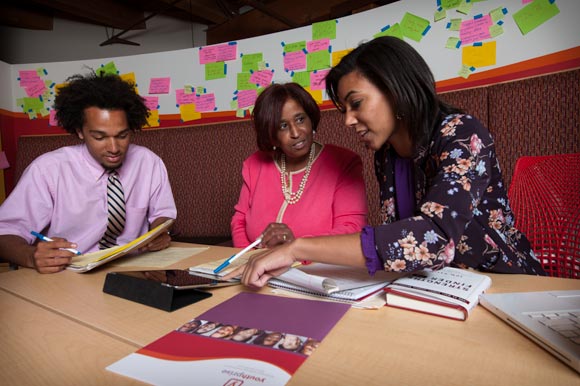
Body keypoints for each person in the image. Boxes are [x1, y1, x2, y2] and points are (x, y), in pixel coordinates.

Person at [227, 36, 546, 288]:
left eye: (356, 104)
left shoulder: (462, 134)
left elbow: (430, 239)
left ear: (396, 90)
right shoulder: (387, 155)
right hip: (433, 286)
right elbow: (398, 238)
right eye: (344, 111)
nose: (349, 121)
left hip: (503, 283)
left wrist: (297, 248)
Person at [0, 72, 177, 273]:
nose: (113, 148)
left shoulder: (148, 162)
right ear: (80, 131)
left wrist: (160, 232)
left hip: (134, 270)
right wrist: (31, 256)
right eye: (99, 137)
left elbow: (163, 216)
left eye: (122, 135)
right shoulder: (47, 170)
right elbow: (4, 232)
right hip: (70, 274)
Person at [230, 82, 367, 249]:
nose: (296, 133)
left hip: (316, 270)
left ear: (311, 119)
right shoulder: (254, 165)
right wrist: (247, 262)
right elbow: (239, 221)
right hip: (259, 269)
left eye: (300, 119)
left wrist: (296, 248)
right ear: (271, 135)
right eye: (283, 126)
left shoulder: (343, 162)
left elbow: (352, 229)